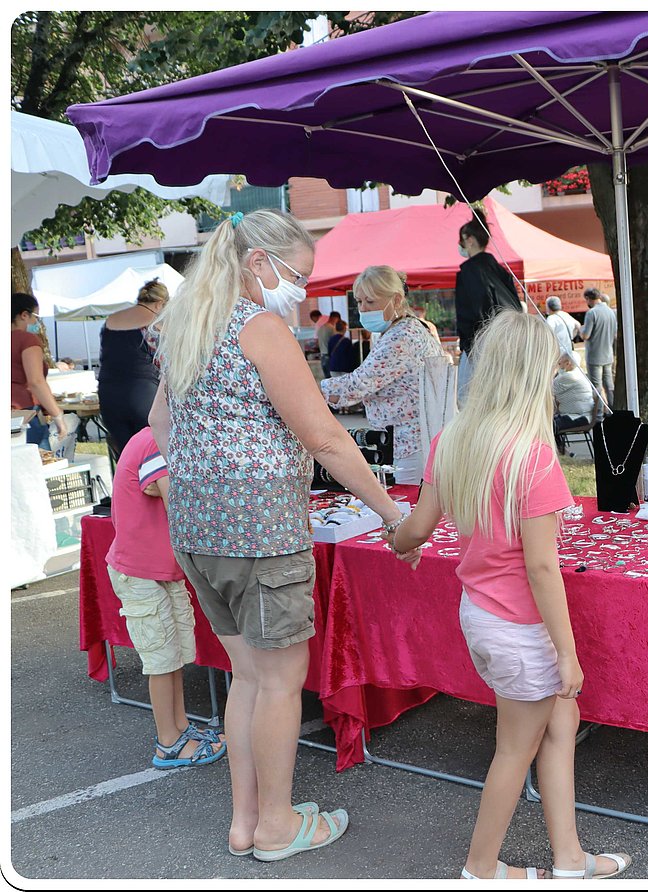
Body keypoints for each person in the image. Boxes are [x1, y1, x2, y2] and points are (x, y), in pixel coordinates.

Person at [148, 209, 407, 861]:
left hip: (200, 529)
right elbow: (322, 436)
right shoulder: (259, 328)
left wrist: (201, 483)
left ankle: (247, 821)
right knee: (280, 680)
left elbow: (160, 422)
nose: (303, 289)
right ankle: (274, 826)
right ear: (258, 263)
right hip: (259, 531)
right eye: (299, 275)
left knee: (249, 677)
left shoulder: (186, 322)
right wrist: (390, 511)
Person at [390, 310, 633, 881]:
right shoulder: (533, 456)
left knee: (558, 725)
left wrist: (397, 540)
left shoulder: (454, 439)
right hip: (520, 627)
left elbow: (418, 528)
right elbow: (543, 568)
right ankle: (481, 867)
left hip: (484, 614)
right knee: (514, 749)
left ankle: (568, 858)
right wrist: (569, 655)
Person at [107, 427, 226, 770]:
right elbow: (178, 502)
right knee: (161, 660)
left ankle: (179, 728)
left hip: (160, 570)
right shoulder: (157, 441)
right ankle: (168, 743)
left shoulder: (164, 436)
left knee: (173, 656)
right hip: (142, 573)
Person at [321, 266, 443, 486]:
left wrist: (308, 390)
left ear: (396, 300)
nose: (363, 309)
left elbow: (358, 384)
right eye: (359, 302)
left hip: (411, 443)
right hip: (408, 439)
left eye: (370, 302)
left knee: (408, 507)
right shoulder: (400, 329)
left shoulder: (402, 336)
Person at [456, 209, 522, 408]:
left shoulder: (468, 272)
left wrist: (468, 346)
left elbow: (470, 313)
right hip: (508, 343)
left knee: (472, 402)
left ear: (469, 240)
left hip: (481, 346)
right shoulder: (500, 270)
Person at [98, 279, 169, 459]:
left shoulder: (111, 320)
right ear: (160, 303)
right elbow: (165, 363)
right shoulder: (156, 323)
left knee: (127, 457)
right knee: (153, 456)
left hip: (109, 396)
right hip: (143, 395)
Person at [11, 292, 66, 450]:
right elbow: (36, 381)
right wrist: (58, 416)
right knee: (35, 466)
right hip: (24, 414)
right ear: (24, 315)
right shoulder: (27, 340)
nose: (36, 322)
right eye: (35, 317)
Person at [580, 287, 617, 415]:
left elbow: (586, 335)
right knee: (609, 385)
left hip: (595, 355)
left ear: (588, 299)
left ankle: (599, 414)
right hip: (608, 354)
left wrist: (581, 330)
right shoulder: (610, 311)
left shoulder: (592, 313)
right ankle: (613, 410)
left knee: (596, 386)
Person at [552, 352, 596, 455]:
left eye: (560, 361)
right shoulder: (577, 373)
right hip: (580, 415)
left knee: (547, 424)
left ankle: (560, 451)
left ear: (568, 363)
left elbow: (547, 390)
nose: (558, 362)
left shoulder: (568, 377)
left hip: (578, 417)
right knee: (548, 422)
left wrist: (553, 371)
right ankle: (562, 450)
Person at [544, 296, 580, 361]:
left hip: (558, 352)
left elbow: (547, 333)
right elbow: (578, 325)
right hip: (569, 349)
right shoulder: (565, 314)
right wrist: (572, 337)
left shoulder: (551, 318)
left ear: (548, 307)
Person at [316, 311, 341, 379]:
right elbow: (335, 342)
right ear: (335, 318)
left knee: (327, 378)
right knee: (332, 379)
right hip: (329, 356)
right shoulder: (331, 328)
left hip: (322, 356)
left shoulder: (321, 328)